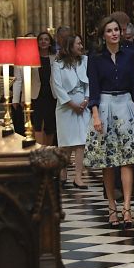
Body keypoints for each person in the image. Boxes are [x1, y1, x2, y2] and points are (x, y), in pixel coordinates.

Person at [84, 16, 134, 229]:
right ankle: (112, 207)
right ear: (103, 35)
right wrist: (95, 115)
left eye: (117, 30)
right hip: (104, 105)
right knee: (107, 161)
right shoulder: (95, 58)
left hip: (126, 104)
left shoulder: (130, 56)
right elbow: (93, 88)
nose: (114, 33)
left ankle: (127, 208)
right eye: (110, 30)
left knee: (128, 160)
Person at [51, 34, 91, 188]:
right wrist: (71, 104)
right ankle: (62, 170)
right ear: (70, 46)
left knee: (81, 141)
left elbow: (90, 81)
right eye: (78, 44)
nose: (81, 46)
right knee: (67, 143)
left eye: (81, 43)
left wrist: (86, 99)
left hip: (83, 104)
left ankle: (78, 177)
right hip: (65, 106)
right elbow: (58, 87)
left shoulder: (85, 61)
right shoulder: (58, 64)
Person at [12, 31, 56, 146]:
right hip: (36, 94)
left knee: (50, 124)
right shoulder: (32, 57)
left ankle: (49, 149)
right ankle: (40, 149)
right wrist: (21, 98)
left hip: (52, 94)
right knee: (37, 124)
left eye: (46, 39)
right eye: (41, 39)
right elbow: (23, 80)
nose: (43, 41)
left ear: (50, 42)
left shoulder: (55, 58)